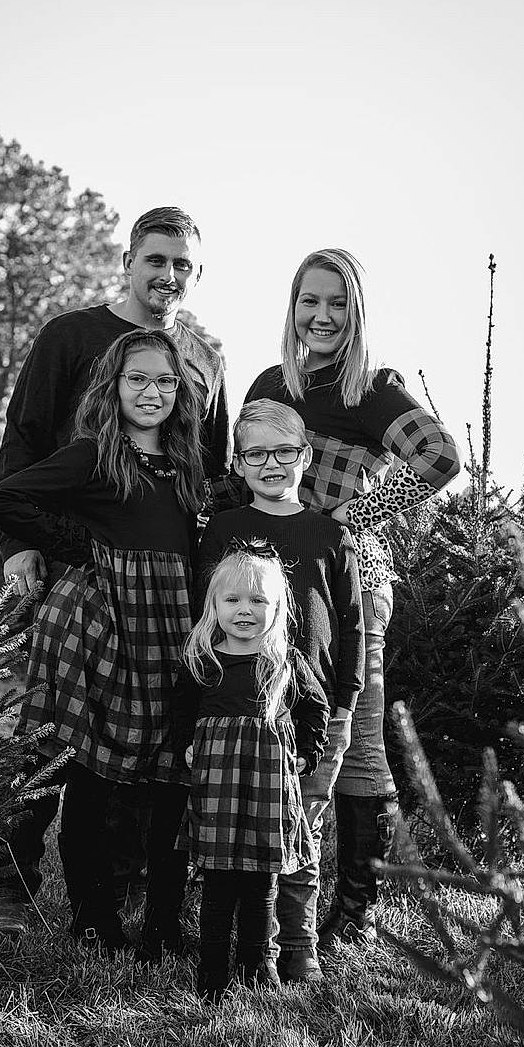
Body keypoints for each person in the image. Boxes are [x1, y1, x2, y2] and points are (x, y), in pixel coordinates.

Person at [0, 206, 230, 934]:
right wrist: (19, 545)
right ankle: (10, 888)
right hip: (70, 571)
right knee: (46, 734)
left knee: (137, 739)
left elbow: (204, 472)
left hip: (162, 584)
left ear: (198, 274)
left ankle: (109, 894)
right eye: (156, 259)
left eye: (183, 264)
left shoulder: (204, 358)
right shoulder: (72, 335)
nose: (168, 275)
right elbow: (23, 439)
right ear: (128, 261)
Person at [242, 249, 461, 946]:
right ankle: (264, 887)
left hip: (353, 582)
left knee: (355, 741)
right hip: (276, 581)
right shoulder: (274, 381)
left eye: (337, 303)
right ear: (293, 307)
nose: (323, 316)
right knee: (275, 726)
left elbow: (442, 458)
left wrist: (352, 517)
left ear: (356, 310)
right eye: (311, 301)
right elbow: (246, 466)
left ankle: (355, 910)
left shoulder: (375, 388)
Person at [197, 399, 364, 982]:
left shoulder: (329, 534)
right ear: (239, 465)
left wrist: (344, 705)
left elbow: (352, 625)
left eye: (284, 452)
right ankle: (252, 950)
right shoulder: (223, 531)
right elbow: (208, 614)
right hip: (239, 718)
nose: (271, 464)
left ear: (305, 457)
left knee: (302, 831)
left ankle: (299, 949)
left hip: (310, 710)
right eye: (256, 454)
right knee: (243, 837)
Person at [173, 542, 330, 1002]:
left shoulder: (286, 663)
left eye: (258, 600)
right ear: (214, 606)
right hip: (218, 782)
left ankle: (258, 967)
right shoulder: (203, 662)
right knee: (219, 881)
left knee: (263, 880)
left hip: (268, 783)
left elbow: (316, 709)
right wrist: (185, 743)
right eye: (233, 600)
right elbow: (181, 708)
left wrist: (308, 752)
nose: (245, 610)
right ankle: (212, 973)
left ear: (277, 608)